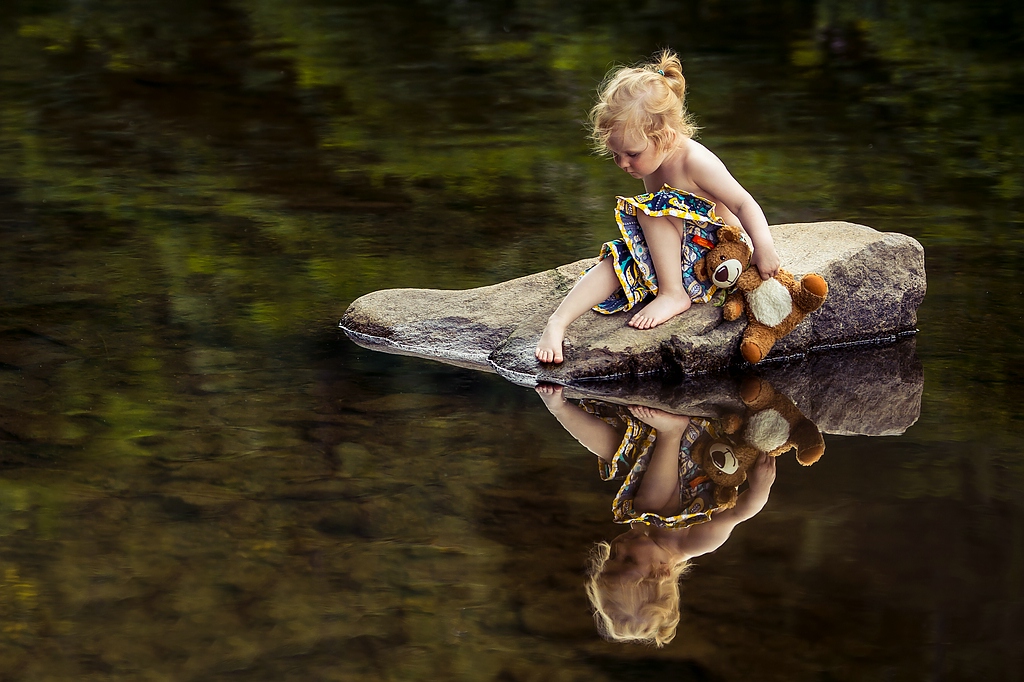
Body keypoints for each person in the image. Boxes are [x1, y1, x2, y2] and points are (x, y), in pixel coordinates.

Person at [535, 49, 781, 364]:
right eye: (616, 155)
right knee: (620, 260)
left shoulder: (695, 161)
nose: (623, 164)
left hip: (716, 259)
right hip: (680, 255)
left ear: (663, 136)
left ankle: (672, 294)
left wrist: (764, 247)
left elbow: (743, 202)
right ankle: (558, 322)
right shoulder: (652, 162)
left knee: (652, 208)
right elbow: (664, 228)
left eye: (631, 154)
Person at [535, 384, 776, 646]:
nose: (619, 547)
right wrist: (761, 487)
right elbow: (740, 513)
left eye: (611, 558)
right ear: (660, 574)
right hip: (704, 448)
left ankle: (559, 407)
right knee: (649, 506)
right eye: (628, 561)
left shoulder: (645, 534)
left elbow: (635, 468)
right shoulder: (694, 544)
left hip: (657, 446)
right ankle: (671, 432)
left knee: (616, 454)